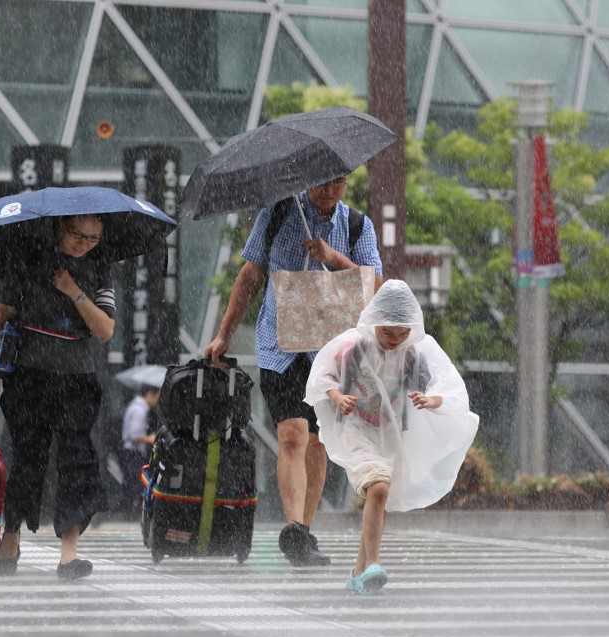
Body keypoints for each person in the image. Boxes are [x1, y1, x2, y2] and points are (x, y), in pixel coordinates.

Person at [203, 176, 383, 567]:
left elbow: (375, 287)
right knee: (291, 434)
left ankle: (303, 530)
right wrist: (224, 335)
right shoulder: (279, 212)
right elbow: (251, 275)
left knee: (318, 442)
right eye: (323, 184)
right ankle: (295, 528)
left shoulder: (357, 225)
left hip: (331, 349)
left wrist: (332, 256)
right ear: (308, 180)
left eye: (339, 183)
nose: (330, 192)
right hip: (279, 344)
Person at [0, 214, 116, 581]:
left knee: (77, 459)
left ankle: (69, 555)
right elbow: (0, 316)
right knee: (28, 457)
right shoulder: (30, 260)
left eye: (93, 237)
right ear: (60, 227)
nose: (84, 243)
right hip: (29, 378)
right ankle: (9, 539)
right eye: (77, 234)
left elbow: (105, 329)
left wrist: (73, 290)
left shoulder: (99, 269)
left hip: (77, 380)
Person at [305, 280, 479, 594]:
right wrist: (337, 396)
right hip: (356, 428)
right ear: (375, 323)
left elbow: (445, 387)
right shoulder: (354, 347)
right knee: (380, 487)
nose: (395, 341)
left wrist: (432, 401)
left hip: (389, 433)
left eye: (402, 334)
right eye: (388, 333)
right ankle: (373, 564)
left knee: (378, 497)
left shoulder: (415, 353)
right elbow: (322, 376)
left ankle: (359, 573)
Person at [117, 384, 161, 519]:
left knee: (132, 483)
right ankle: (127, 514)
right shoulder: (139, 410)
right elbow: (134, 436)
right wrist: (150, 438)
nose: (157, 400)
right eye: (157, 396)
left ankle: (127, 512)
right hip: (132, 453)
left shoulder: (137, 407)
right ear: (149, 394)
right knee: (133, 484)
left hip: (131, 453)